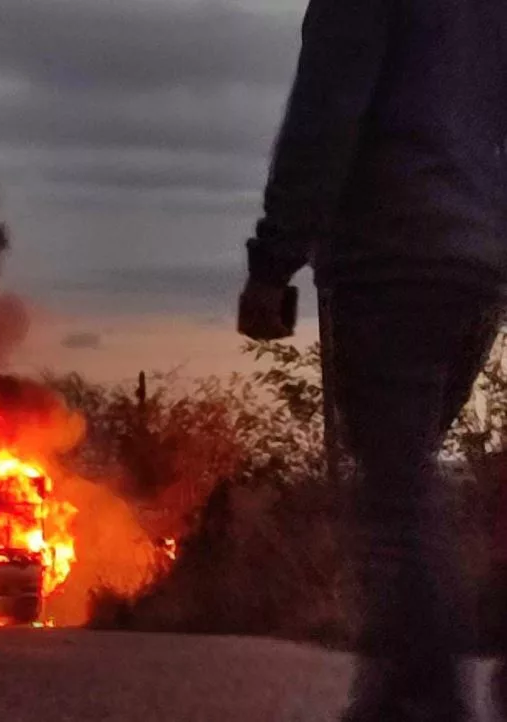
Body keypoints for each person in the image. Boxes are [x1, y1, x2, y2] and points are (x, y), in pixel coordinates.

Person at [237, 0, 507, 720]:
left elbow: (325, 111)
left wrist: (273, 257)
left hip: (392, 253)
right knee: (409, 466)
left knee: (396, 481)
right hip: (477, 268)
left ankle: (420, 695)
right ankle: (406, 686)